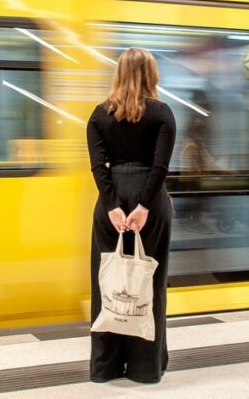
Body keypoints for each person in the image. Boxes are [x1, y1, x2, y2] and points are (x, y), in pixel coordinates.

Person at [86, 47, 176, 383]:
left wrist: (112, 206)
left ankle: (105, 367)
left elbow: (98, 166)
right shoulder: (162, 113)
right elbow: (161, 167)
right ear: (151, 74)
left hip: (109, 204)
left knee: (107, 283)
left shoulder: (98, 115)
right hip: (150, 202)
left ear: (119, 74)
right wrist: (144, 207)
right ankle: (144, 368)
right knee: (149, 284)